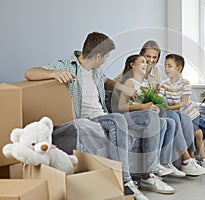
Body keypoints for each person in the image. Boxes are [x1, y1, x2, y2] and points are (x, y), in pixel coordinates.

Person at [24, 32, 171, 200]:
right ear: (98, 55)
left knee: (151, 116)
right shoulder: (67, 66)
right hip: (88, 119)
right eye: (106, 57)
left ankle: (148, 175)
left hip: (104, 116)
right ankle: (125, 181)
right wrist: (53, 74)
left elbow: (106, 81)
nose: (106, 60)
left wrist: (122, 88)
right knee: (118, 119)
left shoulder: (96, 72)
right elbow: (30, 73)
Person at [118, 54, 185, 179]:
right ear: (133, 65)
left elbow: (147, 103)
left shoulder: (145, 84)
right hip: (132, 116)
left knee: (170, 122)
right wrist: (144, 107)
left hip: (145, 115)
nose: (146, 64)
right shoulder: (129, 82)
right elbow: (122, 106)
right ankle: (154, 165)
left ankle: (164, 162)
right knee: (163, 122)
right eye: (142, 61)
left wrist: (153, 104)